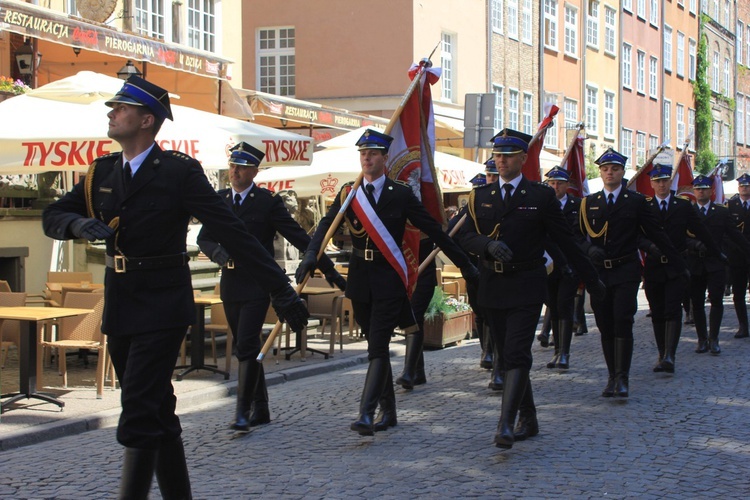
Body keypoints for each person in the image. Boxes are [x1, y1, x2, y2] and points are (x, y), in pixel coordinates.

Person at [42, 76, 309, 499]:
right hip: (122, 301)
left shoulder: (178, 172)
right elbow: (52, 215)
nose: (112, 113)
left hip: (164, 303)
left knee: (139, 410)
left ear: (146, 120)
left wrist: (281, 290)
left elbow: (235, 234)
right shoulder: (100, 173)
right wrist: (76, 223)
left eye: (122, 108)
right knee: (158, 408)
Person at [295, 128, 479, 436]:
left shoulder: (401, 194)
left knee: (377, 346)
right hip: (360, 279)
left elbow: (434, 232)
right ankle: (390, 412)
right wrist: (311, 255)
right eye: (363, 154)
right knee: (373, 344)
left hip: (389, 279)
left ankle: (367, 413)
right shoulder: (348, 193)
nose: (366, 159)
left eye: (372, 154)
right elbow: (326, 226)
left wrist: (465, 264)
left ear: (384, 158)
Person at [459, 129, 604, 449]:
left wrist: (592, 280)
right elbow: (464, 237)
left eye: (508, 155)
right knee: (506, 353)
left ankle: (506, 423)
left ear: (523, 159)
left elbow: (566, 241)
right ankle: (530, 417)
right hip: (493, 286)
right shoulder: (480, 196)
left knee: (516, 353)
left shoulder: (540, 197)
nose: (502, 160)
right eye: (498, 155)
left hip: (526, 285)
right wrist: (487, 245)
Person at [196, 142, 345, 432]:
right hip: (230, 282)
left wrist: (326, 267)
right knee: (244, 345)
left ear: (254, 171)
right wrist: (216, 252)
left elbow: (298, 236)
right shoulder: (221, 200)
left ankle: (242, 411)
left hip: (257, 282)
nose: (235, 172)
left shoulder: (266, 202)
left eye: (241, 167)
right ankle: (261, 408)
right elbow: (204, 237)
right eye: (232, 167)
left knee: (247, 346)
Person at [579, 148, 685, 399]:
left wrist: (677, 261)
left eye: (614, 169)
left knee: (622, 321)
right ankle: (611, 376)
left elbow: (655, 232)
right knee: (605, 324)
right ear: (600, 172)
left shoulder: (635, 201)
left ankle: (622, 377)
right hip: (600, 274)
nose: (609, 173)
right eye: (605, 169)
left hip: (625, 270)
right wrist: (588, 248)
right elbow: (574, 234)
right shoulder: (589, 203)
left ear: (622, 172)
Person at [638, 165, 720, 374]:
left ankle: (669, 356)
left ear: (670, 182)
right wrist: (649, 247)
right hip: (655, 266)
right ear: (652, 184)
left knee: (673, 310)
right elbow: (637, 234)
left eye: (665, 180)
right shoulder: (645, 206)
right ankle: (661, 351)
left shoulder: (682, 206)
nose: (661, 184)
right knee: (657, 312)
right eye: (657, 181)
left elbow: (700, 230)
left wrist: (716, 251)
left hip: (676, 266)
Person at [688, 175, 750, 355]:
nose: (701, 191)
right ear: (694, 191)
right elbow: (680, 237)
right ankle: (701, 339)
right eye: (698, 188)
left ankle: (713, 338)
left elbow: (735, 235)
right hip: (695, 262)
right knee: (697, 302)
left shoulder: (722, 212)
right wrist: (693, 245)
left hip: (715, 263)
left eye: (705, 188)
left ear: (711, 191)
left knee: (716, 300)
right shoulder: (688, 211)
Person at [541, 166, 584, 370]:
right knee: (553, 306)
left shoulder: (578, 205)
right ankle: (557, 350)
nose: (555, 187)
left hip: (569, 264)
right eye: (552, 183)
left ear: (568, 185)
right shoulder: (543, 205)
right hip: (548, 264)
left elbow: (580, 235)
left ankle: (564, 352)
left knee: (564, 305)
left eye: (559, 183)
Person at [726, 173, 750, 339]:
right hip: (738, 256)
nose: (744, 188)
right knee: (739, 292)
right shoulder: (731, 205)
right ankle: (743, 326)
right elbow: (727, 232)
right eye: (742, 186)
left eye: (747, 186)